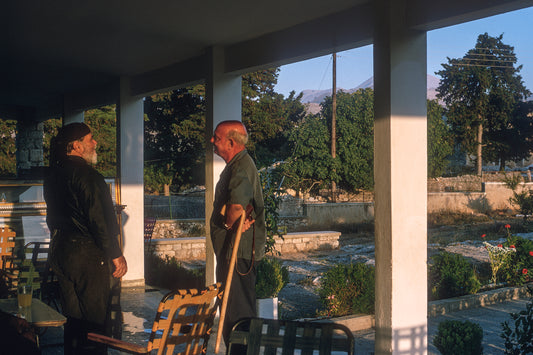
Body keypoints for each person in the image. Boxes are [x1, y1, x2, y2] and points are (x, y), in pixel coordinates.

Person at [44, 122, 127, 354]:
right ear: (77, 146)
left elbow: (53, 217)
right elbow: (99, 220)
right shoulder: (89, 176)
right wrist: (116, 254)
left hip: (60, 250)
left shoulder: (52, 176)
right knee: (94, 322)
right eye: (90, 139)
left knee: (72, 319)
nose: (95, 143)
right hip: (87, 255)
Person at [210, 120, 266, 347]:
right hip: (234, 250)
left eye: (216, 137)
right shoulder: (238, 164)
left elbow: (236, 207)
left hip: (237, 253)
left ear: (231, 142)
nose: (212, 141)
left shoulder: (241, 166)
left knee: (238, 317)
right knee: (234, 312)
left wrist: (227, 225)